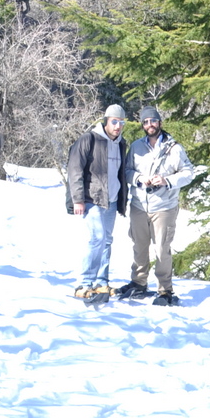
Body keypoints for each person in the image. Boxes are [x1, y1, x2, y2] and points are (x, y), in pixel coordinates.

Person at [118, 108, 196, 306]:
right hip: (139, 205)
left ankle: (165, 290)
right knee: (139, 246)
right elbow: (126, 171)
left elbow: (188, 173)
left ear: (160, 122)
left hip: (164, 206)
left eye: (153, 121)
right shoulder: (136, 147)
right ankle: (139, 283)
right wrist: (139, 178)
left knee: (162, 249)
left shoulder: (174, 148)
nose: (149, 125)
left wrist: (166, 180)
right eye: (145, 122)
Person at [66, 104, 133, 299]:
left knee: (107, 241)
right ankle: (85, 284)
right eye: (114, 122)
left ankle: (101, 283)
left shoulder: (121, 143)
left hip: (111, 200)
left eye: (121, 123)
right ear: (106, 121)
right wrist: (78, 199)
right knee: (97, 238)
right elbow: (75, 170)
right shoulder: (89, 139)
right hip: (91, 198)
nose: (118, 126)